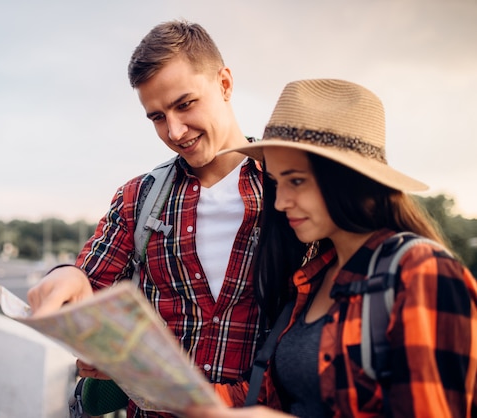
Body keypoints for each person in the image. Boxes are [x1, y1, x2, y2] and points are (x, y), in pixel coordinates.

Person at [184, 78, 477, 417]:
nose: (280, 202)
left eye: (296, 181)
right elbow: (275, 395)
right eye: (277, 183)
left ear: (348, 178)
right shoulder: (315, 276)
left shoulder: (421, 272)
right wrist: (186, 397)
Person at [27, 20, 264, 417]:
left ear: (224, 84)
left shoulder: (288, 193)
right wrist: (66, 280)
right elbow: (89, 285)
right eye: (156, 117)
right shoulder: (138, 198)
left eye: (185, 104)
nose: (174, 130)